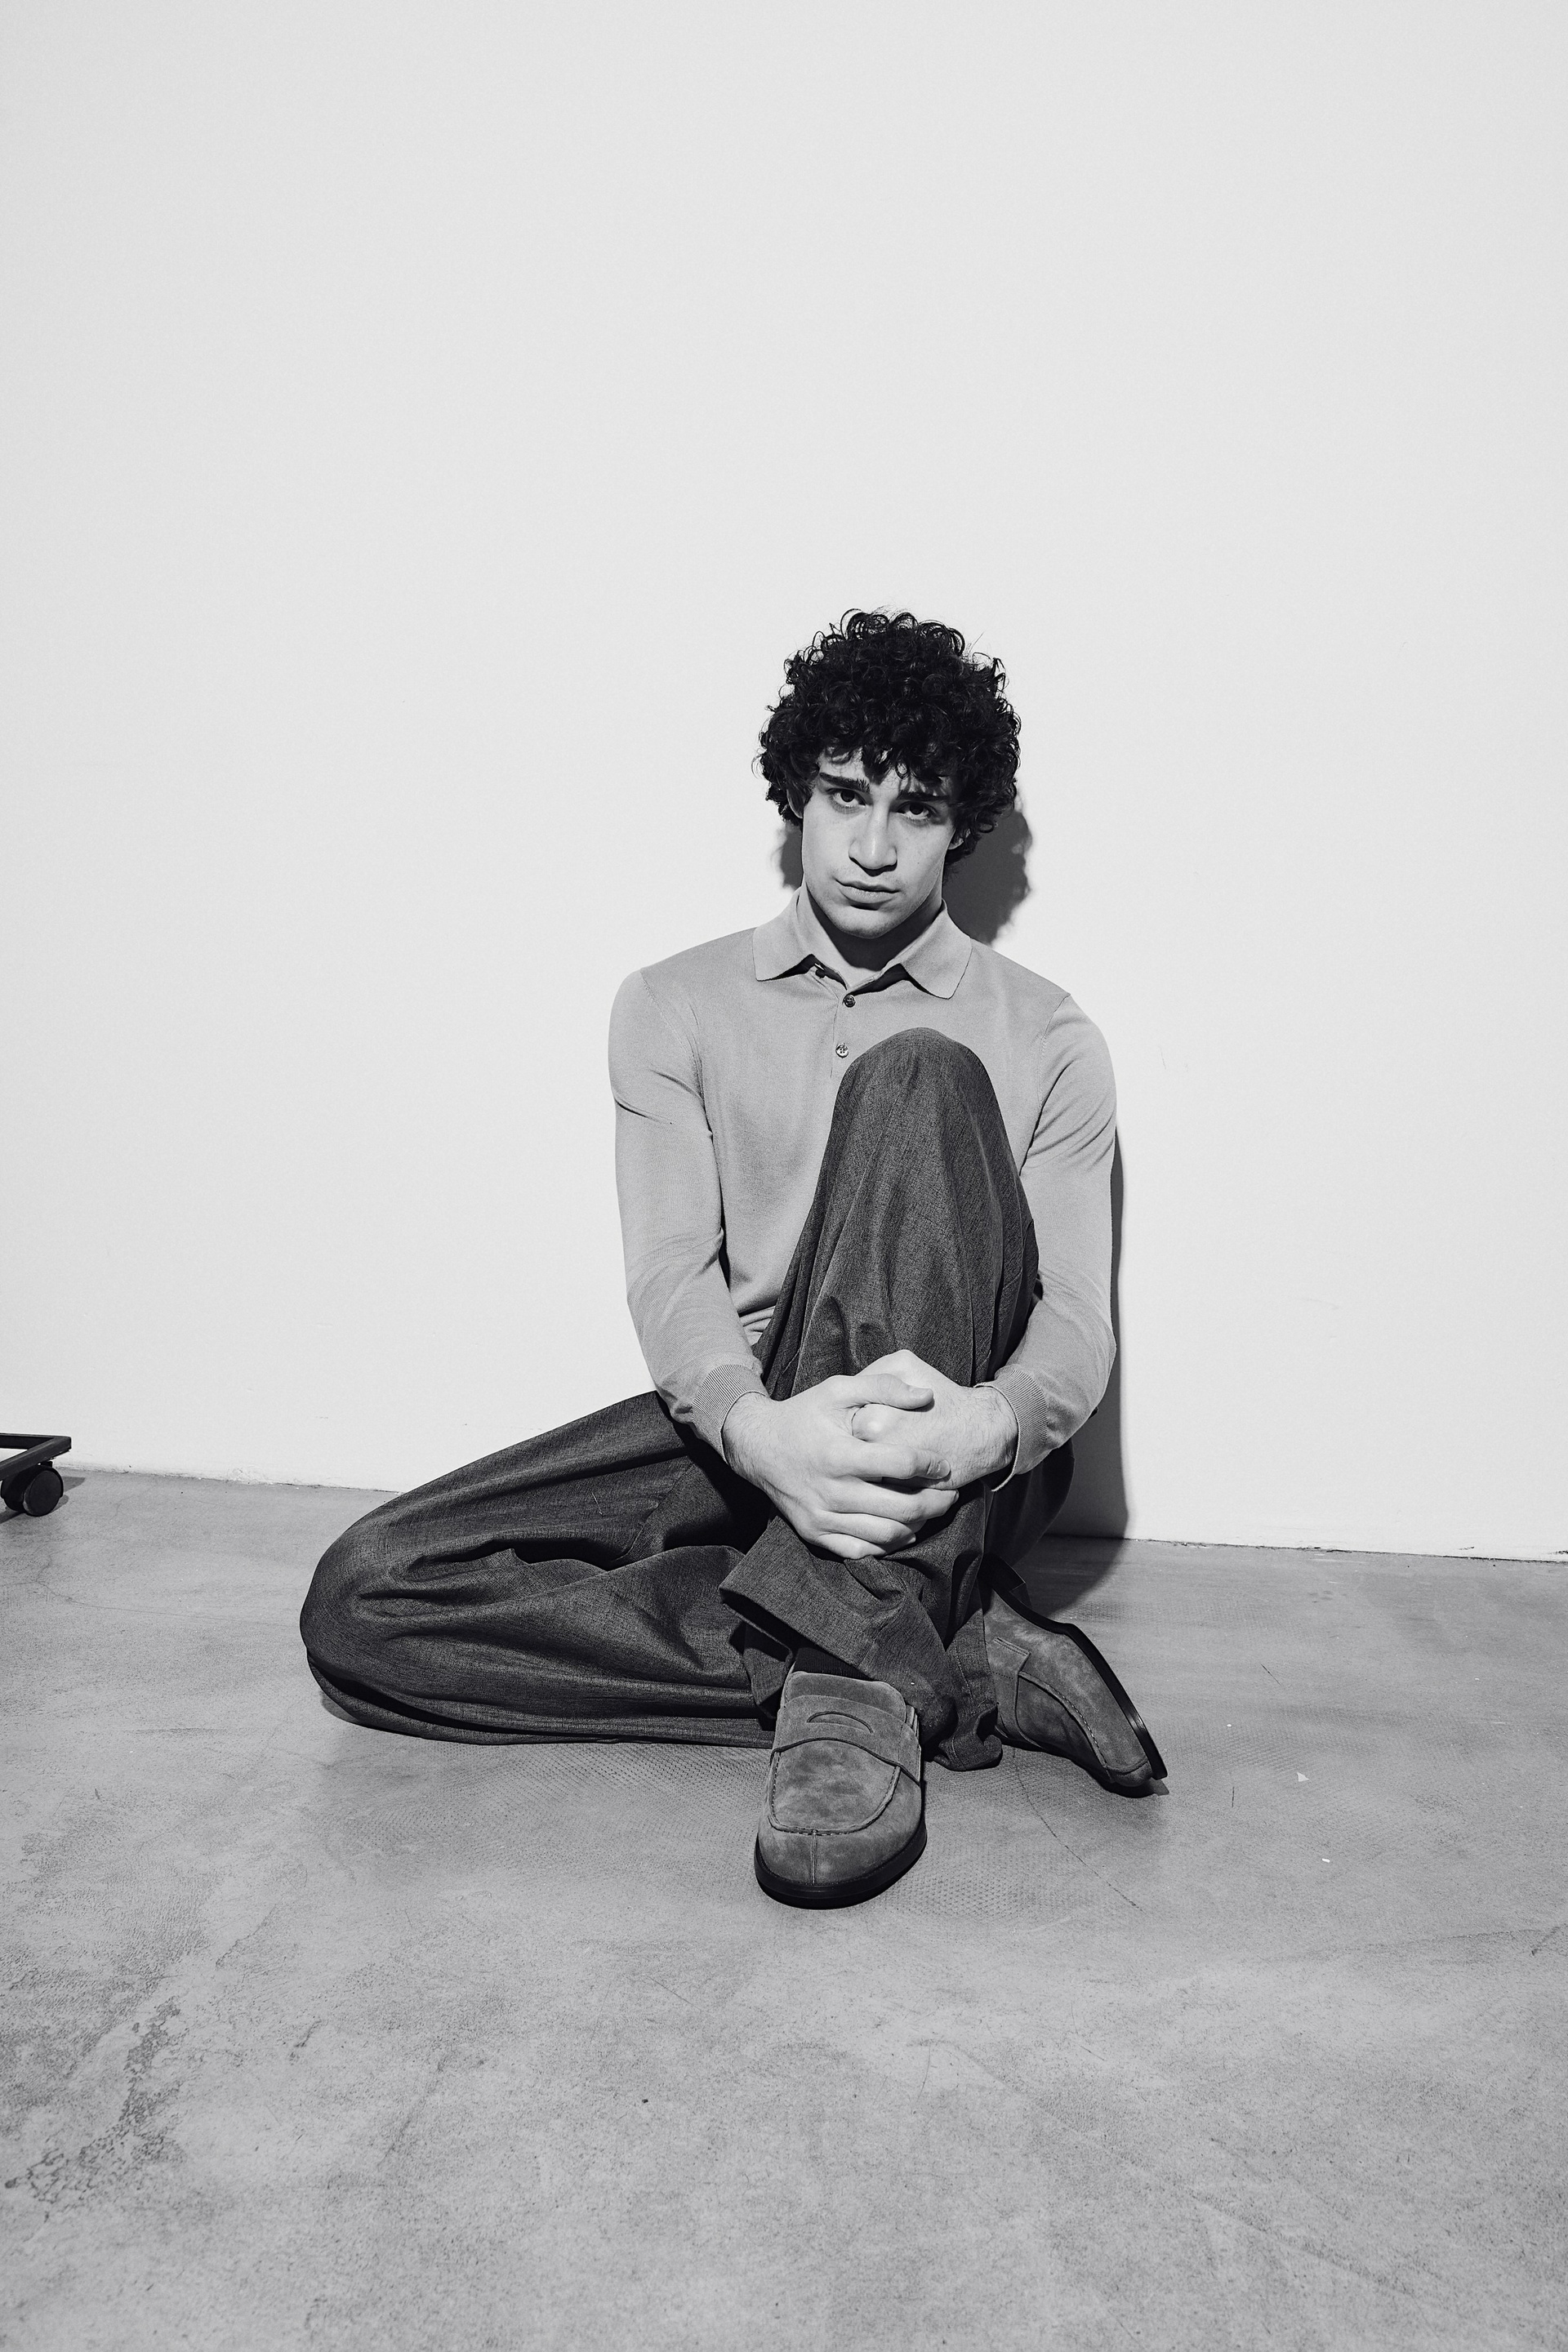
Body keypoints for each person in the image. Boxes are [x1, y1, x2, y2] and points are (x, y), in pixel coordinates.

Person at [300, 610, 1165, 1908]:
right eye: (846, 795)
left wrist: (987, 1427)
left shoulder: (1046, 1035)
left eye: (916, 809)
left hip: (952, 1457)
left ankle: (851, 1694)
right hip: (749, 1424)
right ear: (796, 797)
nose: (872, 845)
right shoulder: (673, 1003)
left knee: (922, 1079)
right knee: (367, 1597)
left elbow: (1079, 1324)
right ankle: (946, 1651)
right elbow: (670, 1273)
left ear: (961, 826)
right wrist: (761, 1437)